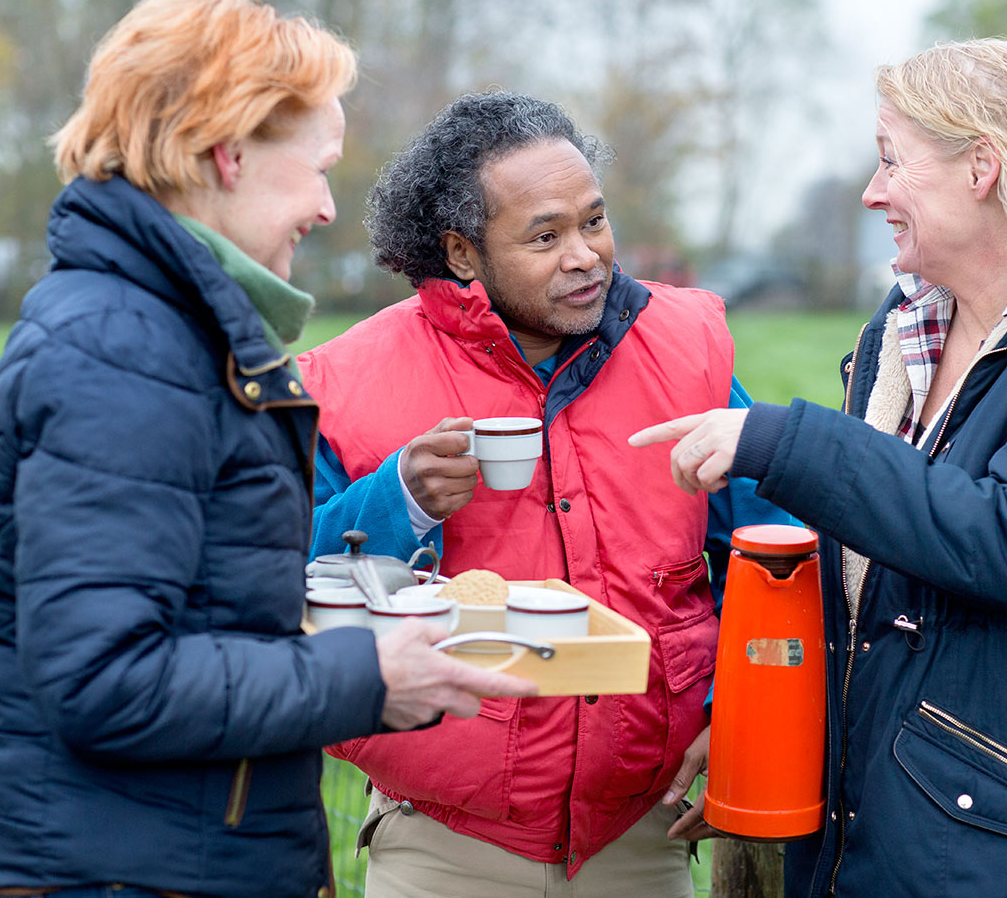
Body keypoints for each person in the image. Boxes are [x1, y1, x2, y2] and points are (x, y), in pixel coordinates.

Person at [0, 0, 533, 898]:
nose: (330, 207)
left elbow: (189, 611)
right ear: (228, 153)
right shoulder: (125, 354)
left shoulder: (162, 333)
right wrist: (363, 674)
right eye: (318, 166)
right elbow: (107, 678)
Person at [631, 38, 1007, 897]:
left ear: (981, 166)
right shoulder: (902, 333)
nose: (872, 193)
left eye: (891, 160)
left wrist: (787, 442)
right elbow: (878, 592)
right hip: (881, 831)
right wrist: (768, 728)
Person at [296, 91, 794, 896]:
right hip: (443, 844)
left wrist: (732, 712)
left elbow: (770, 553)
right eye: (545, 235)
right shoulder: (345, 381)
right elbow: (286, 579)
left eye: (593, 222)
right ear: (462, 252)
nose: (585, 255)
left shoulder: (688, 350)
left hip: (642, 837)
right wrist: (400, 497)